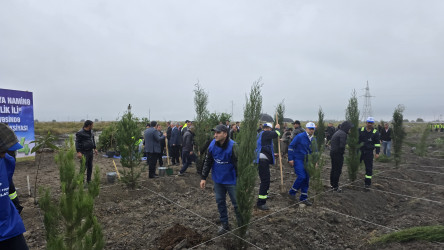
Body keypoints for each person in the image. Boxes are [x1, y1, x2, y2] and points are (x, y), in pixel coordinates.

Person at [200, 124, 240, 235]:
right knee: (220, 202)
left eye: (218, 133)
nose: (215, 135)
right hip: (218, 180)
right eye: (214, 133)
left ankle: (241, 226)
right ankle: (225, 224)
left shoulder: (233, 146)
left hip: (231, 180)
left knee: (237, 204)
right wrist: (203, 177)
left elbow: (239, 166)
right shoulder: (212, 144)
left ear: (225, 134)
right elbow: (208, 161)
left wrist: (241, 183)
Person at [0, 123, 29, 249]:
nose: (4, 155)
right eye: (2, 151)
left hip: (10, 226)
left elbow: (8, 188)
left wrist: (16, 205)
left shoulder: (7, 161)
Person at [287, 122, 316, 206]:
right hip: (298, 159)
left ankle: (303, 198)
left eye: (313, 129)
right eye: (310, 129)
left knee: (306, 178)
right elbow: (291, 146)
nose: (311, 130)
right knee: (301, 176)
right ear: (306, 128)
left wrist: (315, 161)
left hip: (308, 160)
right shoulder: (300, 137)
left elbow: (315, 151)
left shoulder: (313, 139)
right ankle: (292, 192)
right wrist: (290, 158)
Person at [254, 122, 280, 210]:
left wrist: (273, 154)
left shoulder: (261, 134)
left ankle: (265, 195)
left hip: (262, 159)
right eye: (270, 128)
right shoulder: (266, 133)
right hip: (262, 160)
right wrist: (277, 128)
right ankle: (261, 202)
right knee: (265, 180)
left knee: (265, 179)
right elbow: (277, 134)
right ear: (269, 128)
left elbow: (265, 147)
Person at [329, 121, 353, 192]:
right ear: (346, 127)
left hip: (333, 152)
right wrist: (343, 151)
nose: (350, 130)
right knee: (337, 170)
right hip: (337, 154)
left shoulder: (338, 132)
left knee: (333, 169)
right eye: (349, 128)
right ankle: (335, 187)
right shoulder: (343, 134)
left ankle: (332, 185)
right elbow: (342, 146)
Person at [359, 117, 381, 189]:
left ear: (373, 124)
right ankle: (352, 178)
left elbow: (377, 144)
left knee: (369, 168)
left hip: (369, 152)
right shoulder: (360, 130)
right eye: (368, 122)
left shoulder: (375, 132)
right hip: (360, 151)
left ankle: (367, 183)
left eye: (371, 123)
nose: (369, 124)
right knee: (355, 164)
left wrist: (377, 153)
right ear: (366, 123)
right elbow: (355, 139)